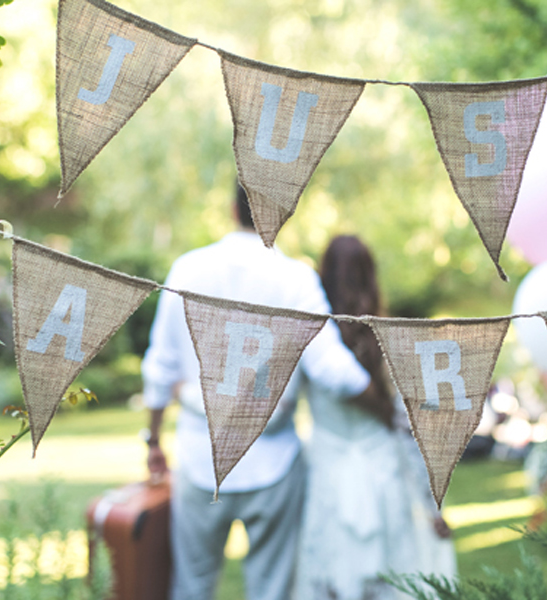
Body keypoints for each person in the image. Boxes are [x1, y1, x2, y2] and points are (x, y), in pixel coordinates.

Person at [140, 185, 371, 600]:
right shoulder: (296, 278)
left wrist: (154, 439)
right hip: (275, 460)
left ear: (232, 209)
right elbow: (330, 369)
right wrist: (385, 396)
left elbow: (160, 366)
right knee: (272, 589)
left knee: (191, 586)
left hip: (199, 454)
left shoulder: (187, 269)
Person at [293, 235, 456, 600]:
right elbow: (407, 430)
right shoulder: (390, 339)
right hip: (383, 473)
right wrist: (435, 505)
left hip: (327, 476)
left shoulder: (312, 341)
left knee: (331, 581)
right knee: (390, 580)